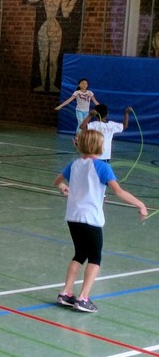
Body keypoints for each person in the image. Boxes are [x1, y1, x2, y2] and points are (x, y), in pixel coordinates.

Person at [53, 129, 148, 313]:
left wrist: (65, 188)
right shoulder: (103, 167)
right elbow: (119, 192)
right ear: (98, 146)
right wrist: (140, 204)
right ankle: (83, 298)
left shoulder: (74, 165)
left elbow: (57, 181)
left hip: (73, 217)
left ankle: (66, 293)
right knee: (95, 258)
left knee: (80, 254)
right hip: (90, 219)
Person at [28, 0, 82, 93]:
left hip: (56, 28)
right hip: (45, 27)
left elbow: (66, 13)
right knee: (43, 59)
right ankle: (42, 84)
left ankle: (52, 85)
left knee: (53, 60)